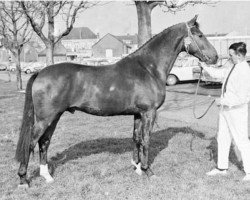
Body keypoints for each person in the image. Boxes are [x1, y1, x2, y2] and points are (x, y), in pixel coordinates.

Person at [202, 42, 250, 181]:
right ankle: (222, 168)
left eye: (231, 55)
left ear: (239, 55)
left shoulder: (245, 71)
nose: (229, 58)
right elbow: (219, 73)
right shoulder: (233, 66)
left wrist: (222, 101)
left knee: (241, 140)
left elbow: (242, 98)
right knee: (222, 137)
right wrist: (204, 66)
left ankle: (249, 172)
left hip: (237, 111)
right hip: (225, 110)